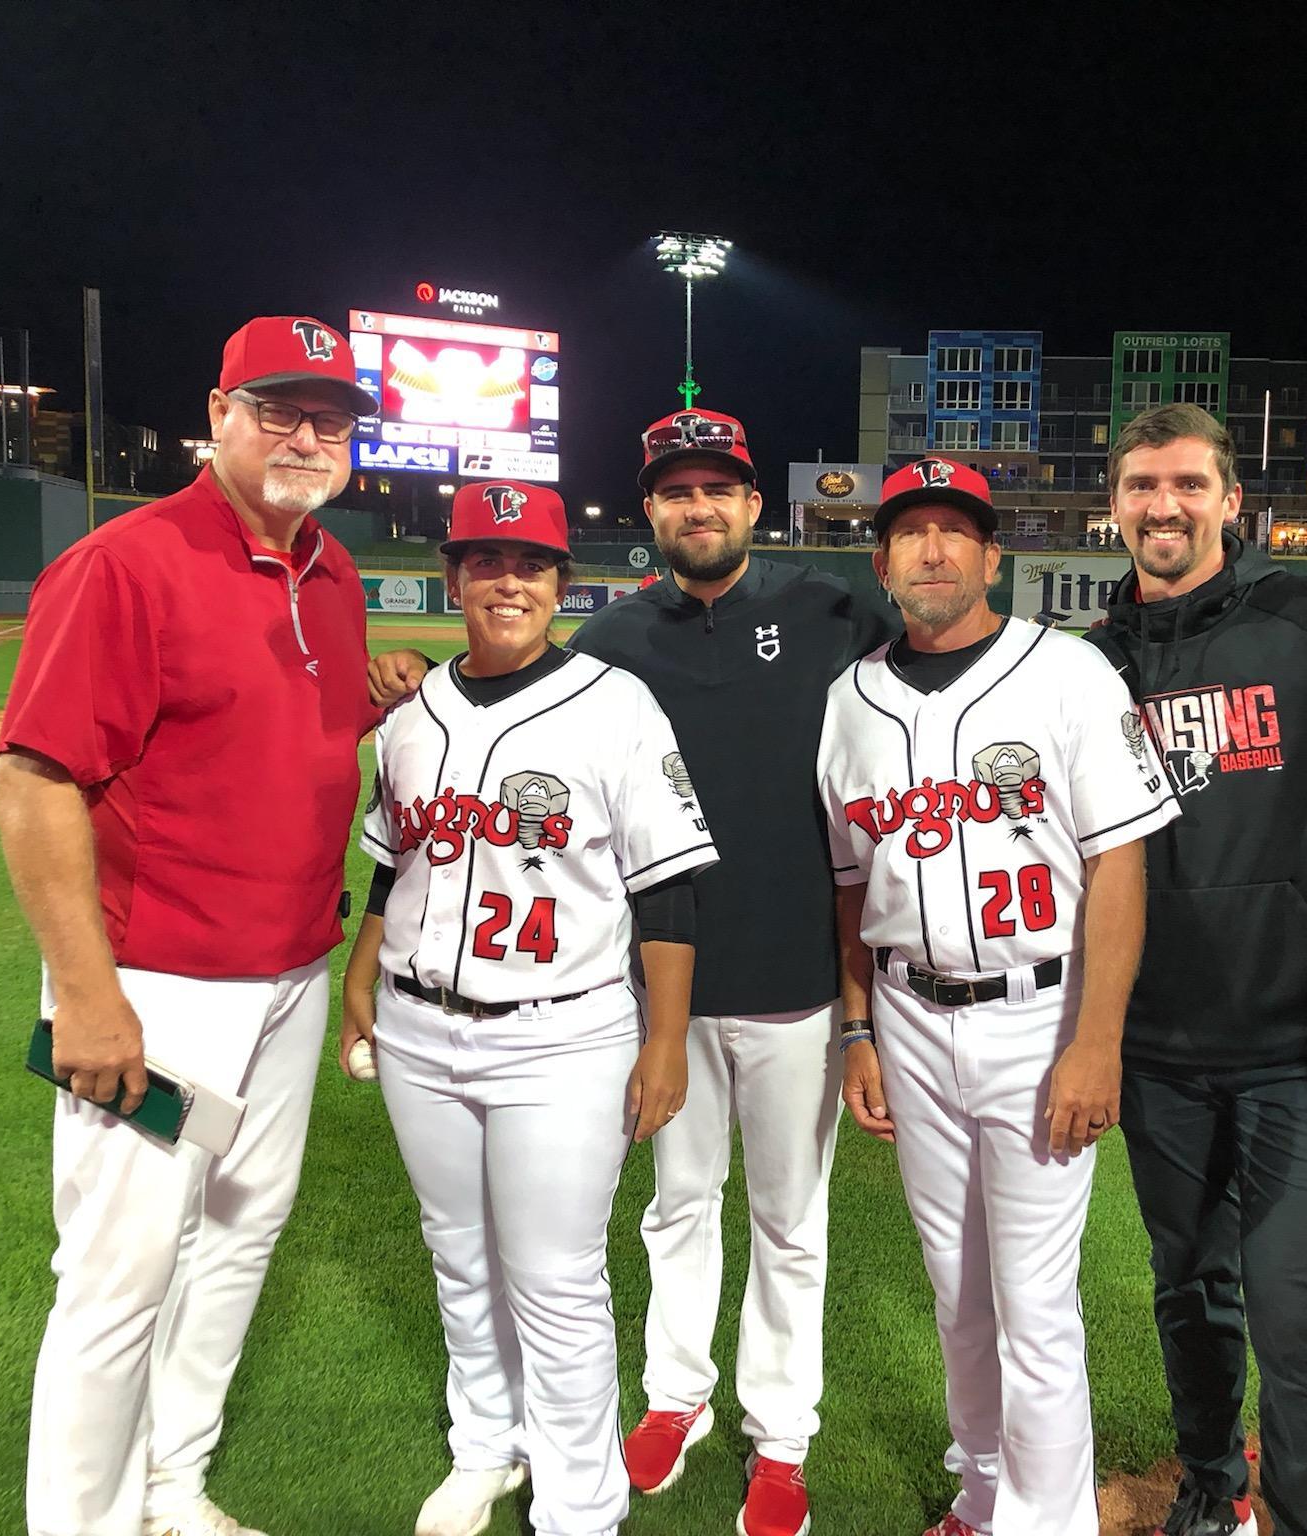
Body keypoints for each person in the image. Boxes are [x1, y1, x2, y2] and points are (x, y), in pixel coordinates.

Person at [371, 407, 897, 1536]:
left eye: (717, 488)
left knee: (790, 1218)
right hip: (650, 990)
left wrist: (864, 1008)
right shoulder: (609, 645)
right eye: (672, 490)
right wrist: (412, 674)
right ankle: (674, 1395)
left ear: (754, 505)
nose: (695, 506)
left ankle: (781, 1433)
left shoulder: (829, 610)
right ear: (648, 509)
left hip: (794, 973)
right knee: (676, 1207)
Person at [0, 314, 382, 1536]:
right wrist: (87, 994)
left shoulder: (334, 570)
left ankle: (169, 1487)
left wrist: (378, 703)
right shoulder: (128, 562)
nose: (306, 435)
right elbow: (35, 780)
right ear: (217, 416)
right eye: (277, 409)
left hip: (287, 977)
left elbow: (268, 744)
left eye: (329, 417)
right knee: (117, 1278)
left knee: (235, 1240)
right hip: (156, 993)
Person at [342, 479, 717, 1536]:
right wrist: (360, 974)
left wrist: (664, 1040)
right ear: (455, 576)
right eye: (486, 561)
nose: (508, 580)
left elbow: (670, 886)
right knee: (457, 1253)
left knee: (554, 1279)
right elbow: (390, 865)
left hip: (563, 1033)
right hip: (418, 1027)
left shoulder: (614, 704)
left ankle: (580, 1504)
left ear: (562, 582)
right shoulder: (409, 715)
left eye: (532, 565)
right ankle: (484, 1448)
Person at [820, 456, 1179, 1536]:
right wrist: (857, 1028)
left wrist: (1094, 1042)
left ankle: (1047, 1520)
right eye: (909, 532)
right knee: (956, 1293)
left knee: (1031, 1301)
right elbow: (849, 883)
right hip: (908, 1020)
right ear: (881, 561)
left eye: (954, 530)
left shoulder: (1066, 673)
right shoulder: (850, 699)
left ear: (991, 554)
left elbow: (1119, 862)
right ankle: (980, 1497)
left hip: (1039, 1018)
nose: (932, 549)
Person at [1086, 404, 1307, 1536]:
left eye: (1188, 485)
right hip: (1156, 1046)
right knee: (1187, 1290)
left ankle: (1303, 1521)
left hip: (1299, 1046)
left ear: (1229, 500)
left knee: (1297, 1314)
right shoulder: (1089, 665)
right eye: (1142, 486)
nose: (1165, 506)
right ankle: (1211, 1485)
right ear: (1113, 506)